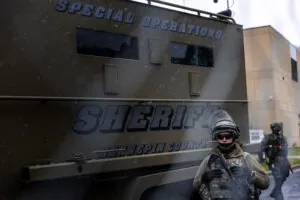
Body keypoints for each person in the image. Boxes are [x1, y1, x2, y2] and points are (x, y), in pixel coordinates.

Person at [193, 110, 269, 200]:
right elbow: (195, 185)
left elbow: (265, 183)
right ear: (216, 138)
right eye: (220, 137)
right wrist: (204, 178)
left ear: (234, 137)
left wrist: (249, 174)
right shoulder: (208, 161)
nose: (224, 139)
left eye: (228, 136)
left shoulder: (246, 158)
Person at [261, 122, 291, 200]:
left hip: (284, 162)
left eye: (277, 127)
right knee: (278, 179)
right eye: (274, 127)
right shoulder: (268, 138)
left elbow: (285, 150)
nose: (276, 129)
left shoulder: (282, 137)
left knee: (284, 177)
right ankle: (278, 196)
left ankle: (275, 192)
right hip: (274, 162)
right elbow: (262, 148)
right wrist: (264, 159)